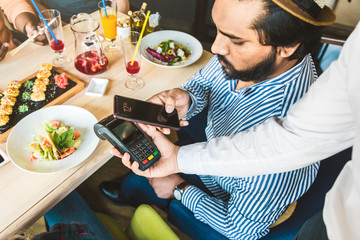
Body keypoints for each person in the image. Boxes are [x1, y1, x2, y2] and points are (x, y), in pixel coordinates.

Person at [100, 0, 336, 239]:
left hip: (227, 199)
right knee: (139, 177)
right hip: (205, 148)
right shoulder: (258, 59)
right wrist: (188, 98)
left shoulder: (284, 144)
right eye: (218, 30)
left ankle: (145, 197)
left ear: (288, 46)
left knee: (147, 183)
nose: (215, 47)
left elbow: (241, 229)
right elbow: (204, 82)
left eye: (236, 40)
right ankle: (133, 191)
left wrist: (179, 188)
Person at [33, 0, 130, 23]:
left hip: (102, 20)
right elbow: (33, 2)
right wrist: (56, 24)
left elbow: (120, 1)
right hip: (63, 25)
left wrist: (118, 23)